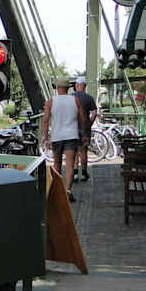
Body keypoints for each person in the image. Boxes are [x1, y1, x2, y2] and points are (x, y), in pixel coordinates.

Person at [42, 73, 86, 203]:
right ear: (68, 88)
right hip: (72, 136)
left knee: (57, 165)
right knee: (70, 165)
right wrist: (84, 134)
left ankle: (57, 192)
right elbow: (83, 119)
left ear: (57, 87)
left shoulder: (51, 101)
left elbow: (45, 120)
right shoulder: (75, 100)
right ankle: (67, 191)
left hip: (57, 137)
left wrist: (46, 138)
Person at [72, 77, 98, 181]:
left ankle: (74, 173)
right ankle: (83, 173)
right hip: (85, 128)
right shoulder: (89, 98)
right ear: (84, 86)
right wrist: (90, 123)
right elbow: (94, 112)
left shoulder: (71, 97)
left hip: (73, 128)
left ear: (77, 85)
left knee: (74, 150)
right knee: (83, 151)